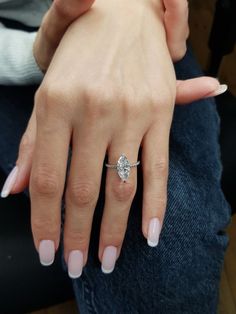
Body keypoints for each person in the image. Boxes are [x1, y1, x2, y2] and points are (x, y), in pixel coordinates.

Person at [0, 0, 231, 312]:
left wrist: (136, 8)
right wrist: (35, 53)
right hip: (13, 54)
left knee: (165, 236)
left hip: (143, 34)